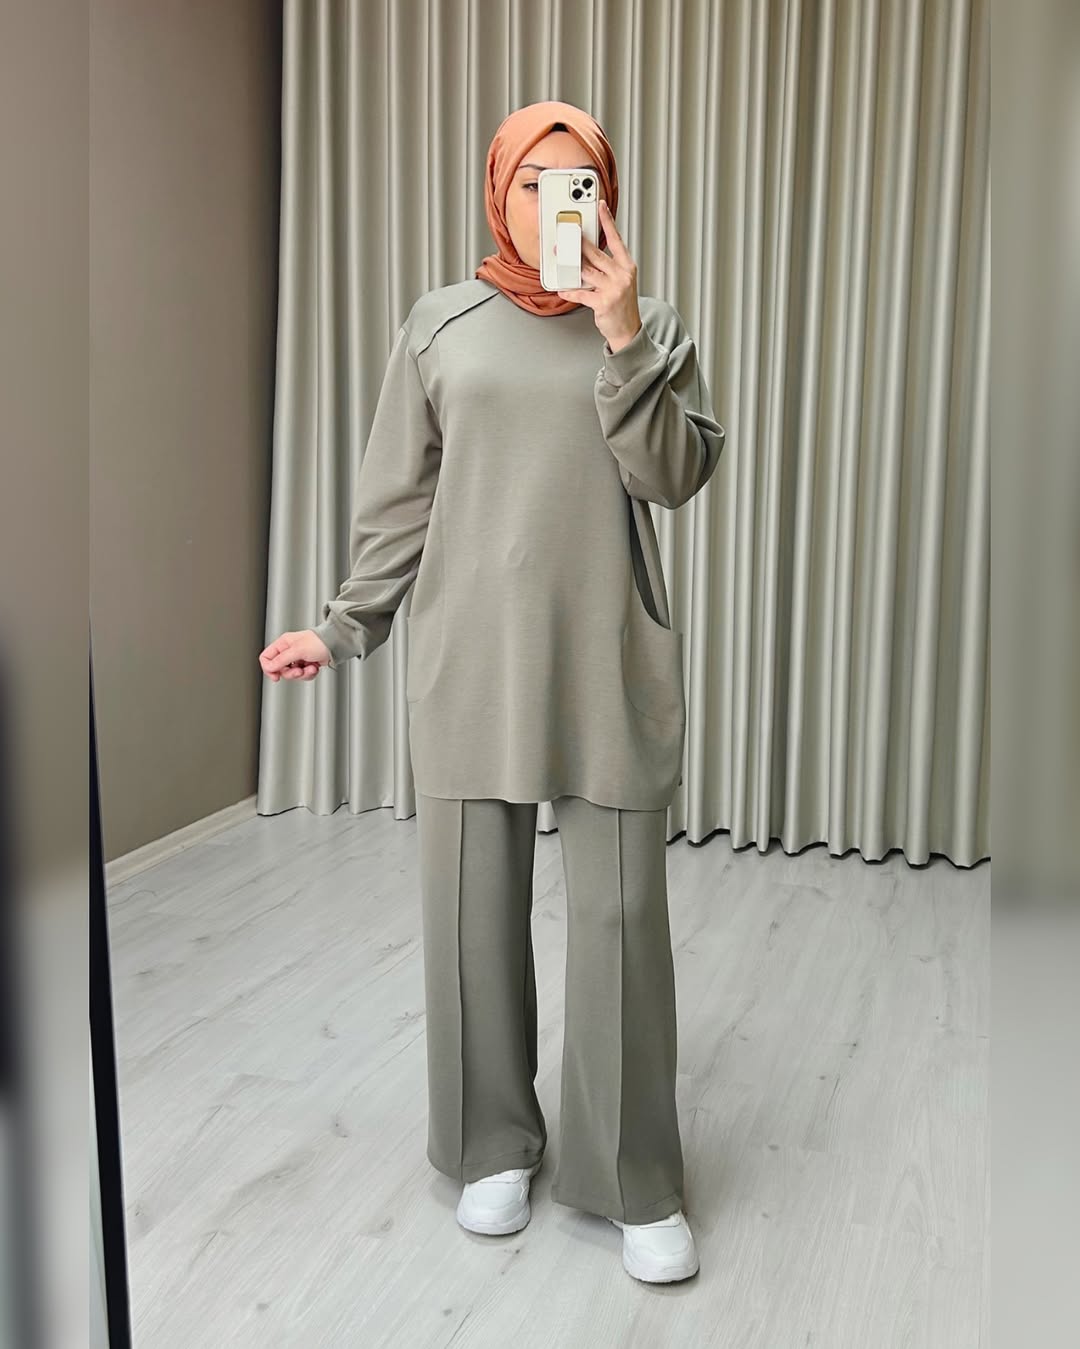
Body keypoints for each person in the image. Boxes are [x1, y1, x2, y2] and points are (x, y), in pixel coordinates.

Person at [260, 100, 725, 1284]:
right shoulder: (440, 322)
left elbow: (673, 475)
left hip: (607, 651)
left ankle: (633, 1174)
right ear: (498, 192)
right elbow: (399, 499)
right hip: (471, 654)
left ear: (606, 199)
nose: (558, 205)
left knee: (621, 921)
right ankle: (489, 1145)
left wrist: (621, 335)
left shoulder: (652, 324)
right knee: (473, 913)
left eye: (582, 185)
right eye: (535, 183)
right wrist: (343, 626)